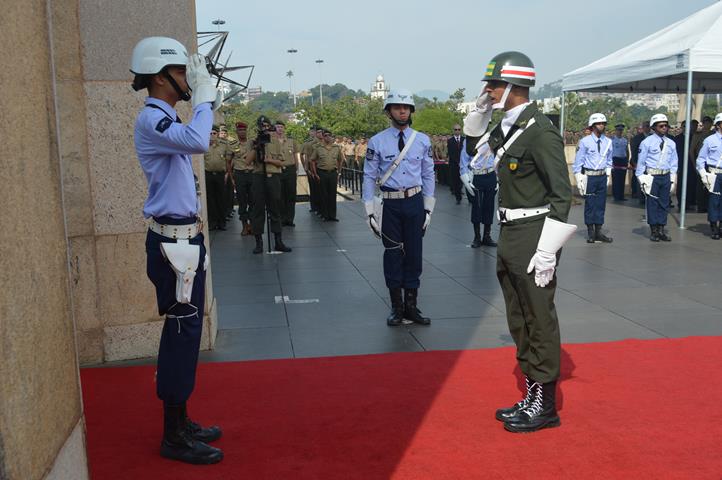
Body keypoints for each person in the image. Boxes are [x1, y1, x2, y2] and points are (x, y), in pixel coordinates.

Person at [464, 51, 574, 433]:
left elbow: (562, 194)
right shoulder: (509, 126)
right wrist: (477, 117)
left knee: (538, 317)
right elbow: (474, 157)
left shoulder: (539, 130)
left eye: (493, 85)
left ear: (512, 86)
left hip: (534, 234)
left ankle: (545, 406)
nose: (488, 90)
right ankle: (531, 395)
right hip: (510, 232)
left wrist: (548, 250)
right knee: (519, 318)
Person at [130, 37, 223, 464]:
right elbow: (199, 140)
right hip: (173, 243)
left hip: (183, 241)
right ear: (160, 75)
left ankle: (181, 420)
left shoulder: (166, 118)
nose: (190, 79)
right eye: (183, 72)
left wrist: (200, 96)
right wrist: (204, 97)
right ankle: (173, 435)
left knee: (186, 334)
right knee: (182, 334)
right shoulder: (154, 119)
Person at [363, 89, 436, 326]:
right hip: (390, 203)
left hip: (414, 201)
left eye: (406, 107)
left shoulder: (423, 140)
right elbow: (368, 176)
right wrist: (369, 211)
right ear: (389, 111)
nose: (402, 111)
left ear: (411, 111)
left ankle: (412, 306)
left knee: (414, 254)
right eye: (396, 107)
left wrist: (428, 208)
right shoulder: (377, 141)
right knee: (393, 254)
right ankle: (396, 306)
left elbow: (428, 174)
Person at [247, 115, 292, 254]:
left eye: (266, 126)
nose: (264, 129)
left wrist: (269, 160)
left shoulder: (275, 141)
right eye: (262, 126)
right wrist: (256, 147)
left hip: (273, 177)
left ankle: (278, 241)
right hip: (258, 177)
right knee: (258, 210)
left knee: (275, 209)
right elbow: (248, 161)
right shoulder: (253, 141)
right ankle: (259, 242)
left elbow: (281, 162)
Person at [636, 114, 678, 242]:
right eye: (661, 126)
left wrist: (673, 177)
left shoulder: (671, 143)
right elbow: (641, 162)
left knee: (664, 203)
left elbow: (674, 162)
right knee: (652, 203)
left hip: (665, 175)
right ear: (654, 127)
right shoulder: (646, 142)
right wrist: (641, 178)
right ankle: (654, 230)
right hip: (652, 176)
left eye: (666, 125)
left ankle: (661, 229)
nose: (664, 128)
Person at [573, 113, 613, 243]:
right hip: (589, 177)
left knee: (601, 204)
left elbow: (609, 160)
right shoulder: (584, 142)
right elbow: (578, 161)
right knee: (590, 204)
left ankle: (598, 231)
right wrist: (578, 177)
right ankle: (590, 232)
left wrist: (607, 174)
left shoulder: (608, 142)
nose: (602, 125)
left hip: (601, 176)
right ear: (593, 126)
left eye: (603, 123)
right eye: (599, 123)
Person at [459, 137, 497, 247]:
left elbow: (497, 157)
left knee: (489, 206)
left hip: (491, 174)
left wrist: (498, 177)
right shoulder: (469, 141)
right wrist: (465, 178)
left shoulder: (492, 138)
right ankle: (477, 237)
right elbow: (463, 161)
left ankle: (487, 236)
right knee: (477, 207)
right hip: (477, 175)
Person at [695, 112, 722, 239]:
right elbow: (701, 159)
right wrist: (703, 174)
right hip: (714, 173)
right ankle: (714, 226)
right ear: (718, 125)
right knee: (714, 201)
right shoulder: (709, 140)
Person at [310, 129, 344, 221]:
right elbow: (312, 160)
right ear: (323, 137)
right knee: (323, 195)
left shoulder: (336, 148)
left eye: (329, 135)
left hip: (333, 173)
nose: (327, 137)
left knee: (333, 195)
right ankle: (325, 215)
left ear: (332, 137)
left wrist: (339, 173)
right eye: (325, 135)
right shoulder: (318, 148)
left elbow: (340, 160)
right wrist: (315, 173)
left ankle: (332, 215)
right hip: (322, 173)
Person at [203, 125, 232, 230]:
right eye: (210, 133)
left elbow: (228, 161)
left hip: (220, 175)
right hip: (208, 174)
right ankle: (212, 221)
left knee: (221, 198)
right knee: (210, 199)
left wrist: (227, 174)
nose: (212, 135)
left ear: (217, 134)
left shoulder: (224, 145)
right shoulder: (204, 145)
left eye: (214, 133)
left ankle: (222, 222)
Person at [231, 122, 254, 235]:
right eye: (240, 130)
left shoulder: (252, 143)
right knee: (242, 201)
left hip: (251, 174)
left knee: (253, 201)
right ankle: (244, 225)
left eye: (244, 130)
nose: (242, 132)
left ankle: (252, 224)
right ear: (236, 132)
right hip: (239, 174)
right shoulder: (232, 145)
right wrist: (232, 179)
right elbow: (228, 162)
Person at [276, 121, 299, 227]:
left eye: (281, 127)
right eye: (278, 127)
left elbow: (295, 155)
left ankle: (290, 219)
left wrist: (296, 169)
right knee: (280, 195)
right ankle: (281, 218)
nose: (280, 129)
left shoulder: (291, 141)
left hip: (290, 169)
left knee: (291, 194)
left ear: (284, 128)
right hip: (278, 169)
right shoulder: (272, 142)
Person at [674, 119, 698, 210]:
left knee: (691, 183)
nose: (686, 128)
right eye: (684, 126)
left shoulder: (694, 137)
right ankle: (681, 202)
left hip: (691, 164)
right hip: (681, 164)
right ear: (682, 127)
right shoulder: (676, 138)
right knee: (681, 184)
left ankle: (690, 201)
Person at [693, 115, 715, 213]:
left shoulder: (714, 134)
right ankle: (701, 205)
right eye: (705, 122)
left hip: (712, 162)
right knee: (701, 185)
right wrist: (695, 164)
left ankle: (709, 205)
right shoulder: (698, 135)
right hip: (701, 161)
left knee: (712, 185)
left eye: (709, 122)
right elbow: (691, 150)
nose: (707, 124)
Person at [611, 124, 629, 201]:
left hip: (623, 160)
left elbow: (627, 151)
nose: (620, 132)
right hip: (615, 160)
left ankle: (621, 196)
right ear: (616, 131)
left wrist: (627, 160)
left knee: (622, 179)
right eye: (618, 130)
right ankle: (616, 196)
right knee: (616, 179)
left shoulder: (625, 140)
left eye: (621, 130)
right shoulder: (612, 140)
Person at [447, 125, 465, 204]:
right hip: (454, 164)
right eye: (455, 129)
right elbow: (451, 153)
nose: (457, 131)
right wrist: (457, 162)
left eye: (459, 129)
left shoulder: (464, 140)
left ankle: (463, 192)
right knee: (456, 181)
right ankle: (458, 197)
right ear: (453, 130)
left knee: (463, 180)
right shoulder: (450, 141)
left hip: (463, 164)